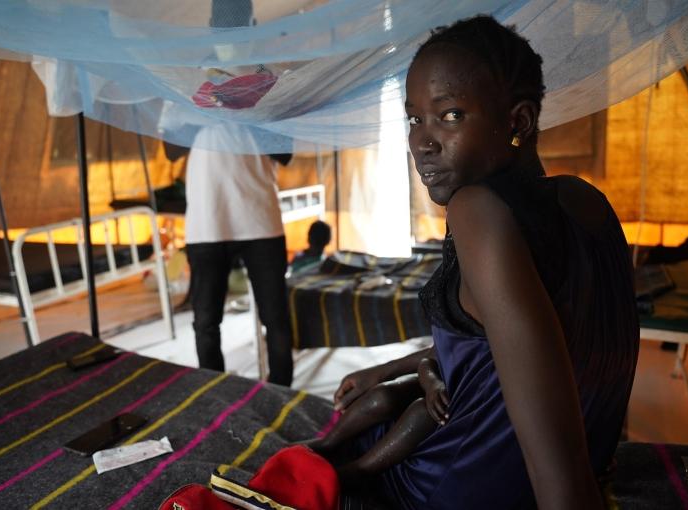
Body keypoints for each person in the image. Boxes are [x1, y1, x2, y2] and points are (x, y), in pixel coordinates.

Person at [306, 15, 639, 509]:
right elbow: (501, 355)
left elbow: (561, 478)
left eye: (451, 115)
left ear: (517, 122)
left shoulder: (478, 210)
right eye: (415, 118)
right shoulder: (584, 200)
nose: (422, 141)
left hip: (461, 486)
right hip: (542, 463)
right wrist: (390, 369)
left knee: (358, 433)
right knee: (387, 399)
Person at [164, 126, 295, 387]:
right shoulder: (184, 93)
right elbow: (170, 150)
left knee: (275, 317)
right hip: (207, 222)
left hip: (260, 220)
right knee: (205, 321)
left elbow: (285, 153)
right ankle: (216, 392)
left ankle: (281, 391)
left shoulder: (264, 89)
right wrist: (204, 111)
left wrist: (245, 112)